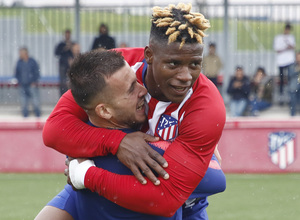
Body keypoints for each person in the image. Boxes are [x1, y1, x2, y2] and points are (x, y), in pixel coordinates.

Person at [42, 2, 226, 217]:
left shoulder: (206, 105)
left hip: (179, 205)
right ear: (149, 55)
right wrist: (117, 142)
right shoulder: (118, 68)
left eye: (195, 64)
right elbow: (55, 129)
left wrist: (85, 175)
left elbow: (185, 190)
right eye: (173, 64)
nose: (185, 76)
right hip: (100, 189)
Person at [273, 23, 296, 105]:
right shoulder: (278, 38)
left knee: (290, 79)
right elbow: (277, 49)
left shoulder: (291, 37)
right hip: (281, 62)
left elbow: (293, 47)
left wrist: (289, 46)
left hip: (289, 61)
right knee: (282, 81)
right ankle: (281, 99)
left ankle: (290, 98)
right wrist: (286, 48)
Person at [15, 47, 41, 117]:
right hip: (22, 85)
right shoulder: (19, 62)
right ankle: (25, 114)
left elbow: (37, 72)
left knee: (35, 100)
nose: (20, 54)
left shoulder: (32, 61)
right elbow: (17, 73)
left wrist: (34, 81)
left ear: (25, 53)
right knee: (23, 101)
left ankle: (37, 113)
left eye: (21, 53)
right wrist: (20, 81)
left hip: (31, 84)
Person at [55, 29, 75, 96]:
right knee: (63, 82)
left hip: (71, 65)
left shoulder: (73, 44)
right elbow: (56, 53)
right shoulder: (61, 44)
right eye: (66, 35)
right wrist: (65, 48)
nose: (67, 36)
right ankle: (63, 95)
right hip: (63, 65)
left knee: (72, 81)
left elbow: (76, 53)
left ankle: (71, 95)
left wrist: (71, 48)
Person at [288, 51, 300, 116]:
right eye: (298, 57)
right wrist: (297, 70)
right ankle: (292, 112)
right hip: (295, 84)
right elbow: (290, 74)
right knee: (293, 91)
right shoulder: (292, 65)